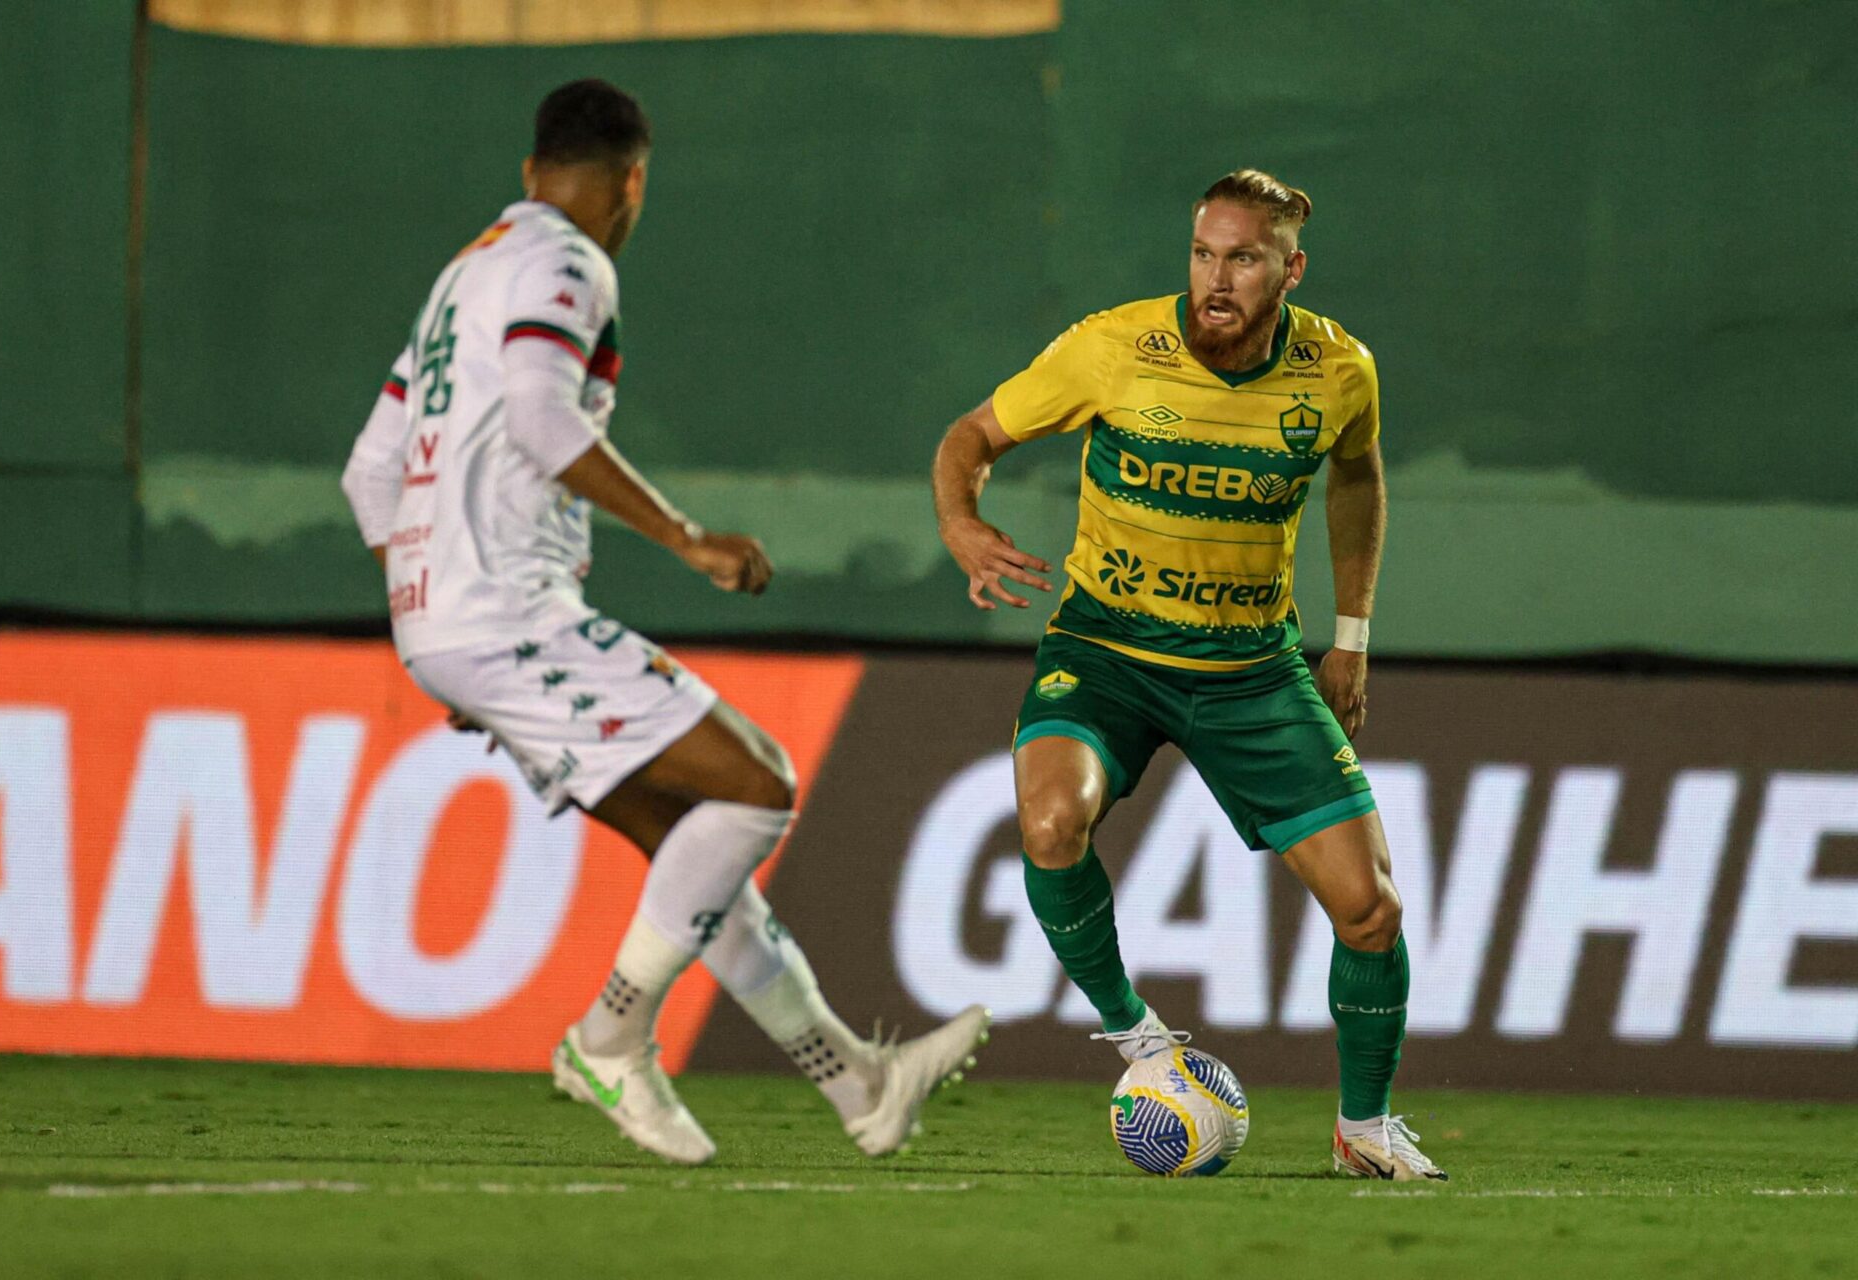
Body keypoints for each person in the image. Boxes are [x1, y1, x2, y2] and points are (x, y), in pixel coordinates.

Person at [343, 78, 988, 1167]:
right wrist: (685, 534)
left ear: (528, 170)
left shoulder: (462, 277)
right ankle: (610, 1035)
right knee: (757, 782)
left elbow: (370, 472)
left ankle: (858, 1083)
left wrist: (427, 613)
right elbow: (545, 417)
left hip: (450, 612)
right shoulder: (568, 264)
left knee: (690, 847)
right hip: (503, 606)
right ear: (633, 181)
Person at [929, 170, 1443, 1181]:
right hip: (1107, 651)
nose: (1217, 277)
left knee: (1370, 908)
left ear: (1291, 268)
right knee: (1047, 823)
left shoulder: (1339, 371)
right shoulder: (1112, 347)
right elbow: (971, 436)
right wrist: (962, 524)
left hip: (1252, 665)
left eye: (1244, 258)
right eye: (1204, 252)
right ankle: (1141, 1039)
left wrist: (1353, 631)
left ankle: (1365, 1127)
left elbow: (1357, 472)